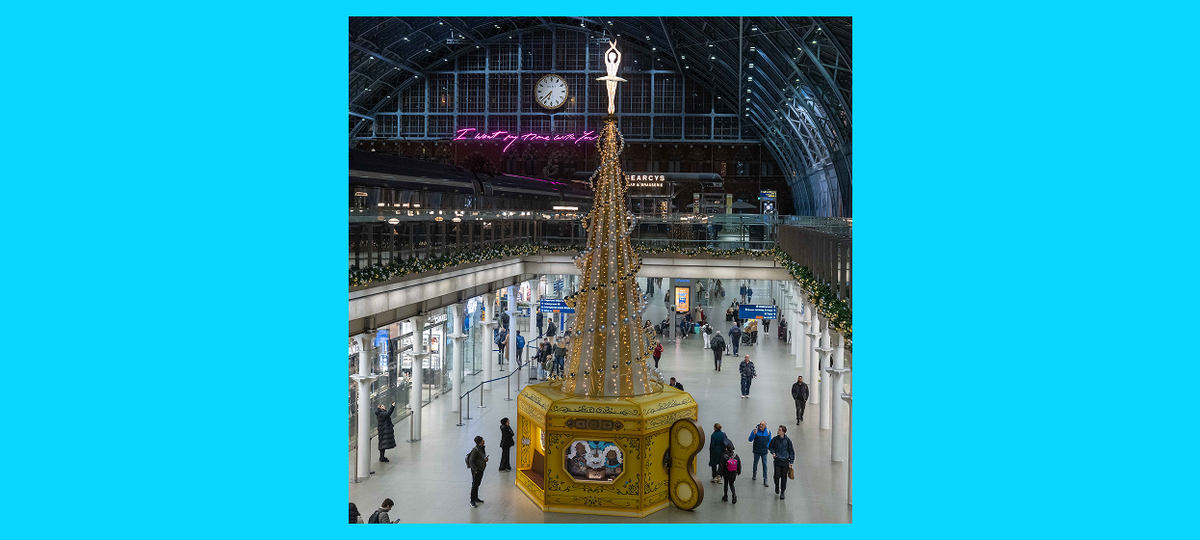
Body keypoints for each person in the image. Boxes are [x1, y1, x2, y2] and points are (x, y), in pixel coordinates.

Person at [769, 425, 796, 499]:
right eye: (778, 429)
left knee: (784, 477)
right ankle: (777, 486)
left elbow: (791, 451)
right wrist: (773, 452)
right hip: (777, 460)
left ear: (783, 432)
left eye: (780, 430)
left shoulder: (788, 441)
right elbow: (770, 446)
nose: (778, 431)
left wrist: (791, 462)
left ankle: (782, 491)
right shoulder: (775, 439)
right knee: (777, 476)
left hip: (785, 461)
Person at [748, 421, 771, 485]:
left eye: (762, 424)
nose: (760, 425)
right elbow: (750, 439)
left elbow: (770, 441)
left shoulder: (768, 432)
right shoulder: (755, 431)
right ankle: (754, 474)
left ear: (765, 426)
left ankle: (765, 479)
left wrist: (767, 447)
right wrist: (753, 434)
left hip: (764, 451)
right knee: (755, 463)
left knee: (765, 465)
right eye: (760, 424)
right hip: (757, 450)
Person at [719, 438, 742, 503]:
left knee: (726, 484)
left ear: (726, 449)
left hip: (726, 473)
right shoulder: (736, 456)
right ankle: (734, 495)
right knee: (731, 484)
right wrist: (738, 472)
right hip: (733, 473)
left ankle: (725, 496)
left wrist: (719, 473)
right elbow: (739, 464)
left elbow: (721, 465)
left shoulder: (724, 456)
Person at [468, 436, 488, 507]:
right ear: (480, 442)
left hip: (481, 469)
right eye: (482, 440)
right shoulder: (475, 450)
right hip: (476, 470)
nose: (483, 441)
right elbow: (471, 461)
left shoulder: (482, 448)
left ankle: (476, 498)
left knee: (477, 484)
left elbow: (480, 458)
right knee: (474, 485)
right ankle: (472, 500)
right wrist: (475, 470)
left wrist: (484, 460)